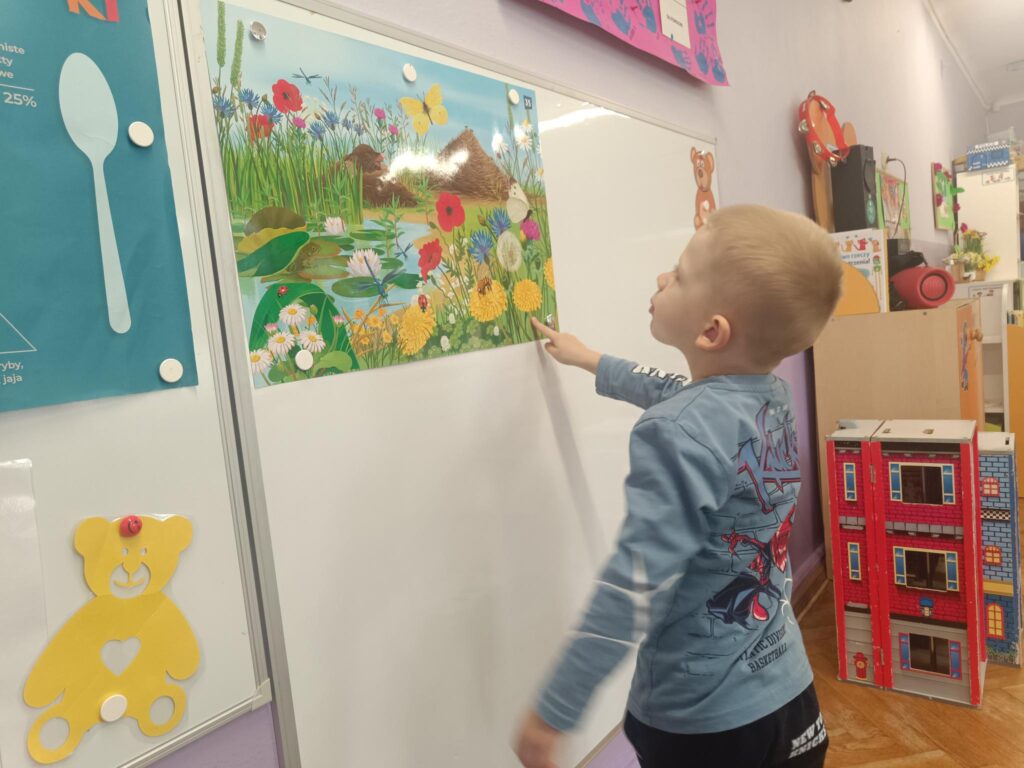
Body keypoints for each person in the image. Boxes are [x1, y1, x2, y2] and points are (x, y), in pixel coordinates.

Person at [515, 205, 843, 768]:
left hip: (703, 721)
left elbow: (634, 582)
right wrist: (590, 359)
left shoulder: (677, 431)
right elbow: (673, 390)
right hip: (789, 697)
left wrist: (555, 711)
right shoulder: (768, 398)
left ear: (711, 331)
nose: (662, 277)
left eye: (680, 274)